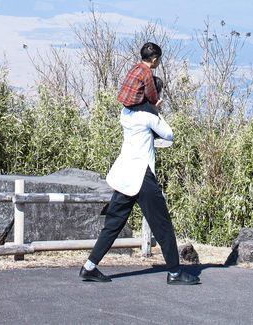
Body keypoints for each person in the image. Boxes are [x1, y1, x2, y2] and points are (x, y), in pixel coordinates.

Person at [79, 44, 199, 285]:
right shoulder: (148, 116)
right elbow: (169, 134)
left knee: (113, 223)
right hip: (142, 175)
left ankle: (89, 266)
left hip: (124, 172)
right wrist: (157, 110)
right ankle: (175, 272)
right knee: (163, 225)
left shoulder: (126, 113)